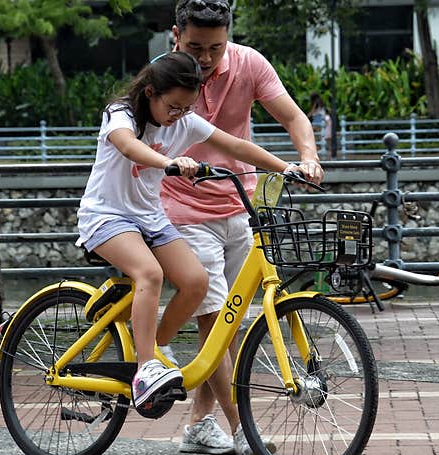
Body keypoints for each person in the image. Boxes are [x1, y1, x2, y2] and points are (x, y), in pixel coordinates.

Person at [75, 51, 298, 417]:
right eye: (173, 107)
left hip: (149, 217)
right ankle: (146, 369)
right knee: (150, 273)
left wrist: (288, 167)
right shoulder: (121, 113)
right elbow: (128, 145)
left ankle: (154, 347)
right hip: (107, 216)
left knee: (196, 281)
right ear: (150, 92)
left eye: (186, 108)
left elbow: (237, 147)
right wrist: (170, 163)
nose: (179, 115)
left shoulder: (185, 122)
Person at [160, 0, 325, 455]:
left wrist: (308, 157)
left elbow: (293, 117)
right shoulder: (164, 74)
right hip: (182, 209)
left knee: (228, 325)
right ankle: (243, 430)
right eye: (195, 47)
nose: (207, 58)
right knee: (215, 316)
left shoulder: (249, 64)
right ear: (176, 36)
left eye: (216, 47)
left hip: (241, 205)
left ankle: (197, 424)